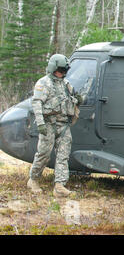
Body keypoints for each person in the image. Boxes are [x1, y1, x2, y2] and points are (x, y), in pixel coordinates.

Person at [27, 54, 81, 198]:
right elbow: (37, 103)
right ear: (53, 68)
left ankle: (59, 186)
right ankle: (33, 179)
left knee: (63, 155)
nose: (62, 73)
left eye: (64, 70)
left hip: (63, 126)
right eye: (60, 70)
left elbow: (72, 100)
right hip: (48, 124)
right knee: (44, 154)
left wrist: (78, 100)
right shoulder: (43, 83)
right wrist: (40, 123)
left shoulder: (66, 84)